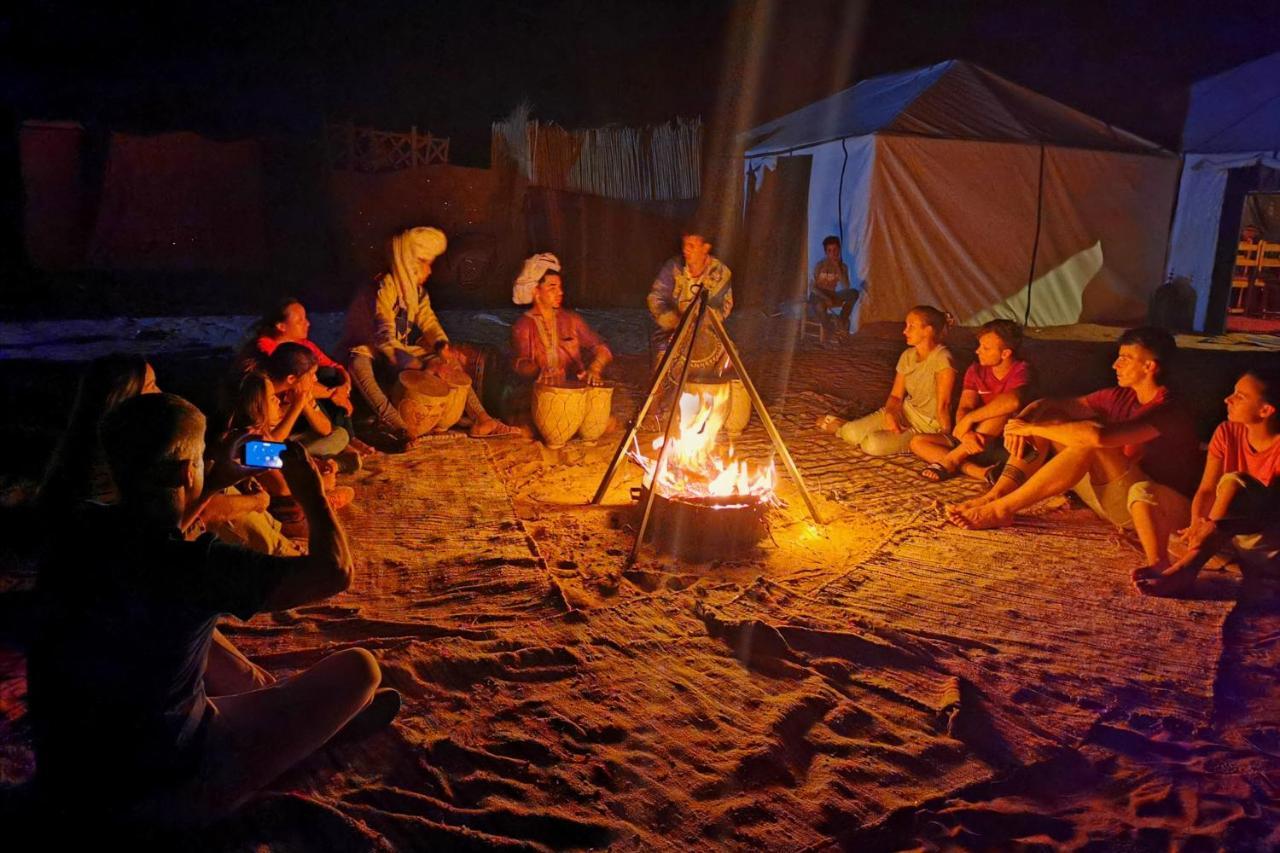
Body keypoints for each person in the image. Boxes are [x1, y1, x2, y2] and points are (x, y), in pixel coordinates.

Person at [29, 393, 399, 826]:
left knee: (186, 624)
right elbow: (333, 573)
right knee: (361, 670)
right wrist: (311, 491)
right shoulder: (200, 567)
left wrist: (219, 477)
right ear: (188, 470)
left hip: (72, 770)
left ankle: (277, 704)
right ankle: (304, 738)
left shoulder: (81, 526)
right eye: (204, 458)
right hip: (158, 786)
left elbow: (156, 538)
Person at [946, 327, 1200, 574]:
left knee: (1084, 441)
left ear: (1150, 366)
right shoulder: (1120, 396)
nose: (1115, 365)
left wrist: (1033, 428)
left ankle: (1002, 510)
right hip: (1114, 498)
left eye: (1124, 359)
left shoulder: (1168, 409)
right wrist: (1022, 422)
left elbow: (1099, 437)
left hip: (1151, 507)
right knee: (1051, 420)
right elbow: (1050, 404)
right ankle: (995, 496)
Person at [341, 226, 518, 445]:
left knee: (446, 362)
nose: (429, 270)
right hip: (370, 350)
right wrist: (420, 366)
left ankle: (482, 419)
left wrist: (441, 345)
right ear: (410, 263)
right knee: (359, 364)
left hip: (396, 349)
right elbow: (383, 338)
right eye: (425, 263)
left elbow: (428, 320)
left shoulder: (416, 292)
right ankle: (399, 426)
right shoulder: (383, 288)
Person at [1135, 368, 1280, 596]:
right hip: (1222, 538)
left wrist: (1215, 528)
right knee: (1143, 491)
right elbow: (1207, 489)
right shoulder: (1227, 431)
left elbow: (1270, 516)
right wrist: (1196, 525)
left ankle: (1187, 568)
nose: (1227, 399)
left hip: (1264, 541)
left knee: (1234, 481)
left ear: (1265, 410)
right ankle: (1161, 563)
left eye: (1240, 396)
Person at [817, 306, 957, 455]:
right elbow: (896, 396)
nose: (905, 331)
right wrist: (891, 414)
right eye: (906, 326)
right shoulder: (907, 356)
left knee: (872, 444)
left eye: (911, 327)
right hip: (906, 411)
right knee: (851, 433)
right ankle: (845, 427)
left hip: (927, 425)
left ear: (927, 330)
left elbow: (944, 404)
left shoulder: (942, 359)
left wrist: (945, 436)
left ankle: (853, 428)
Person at [910, 319, 1032, 483]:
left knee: (1001, 413)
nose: (977, 351)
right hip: (976, 440)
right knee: (917, 442)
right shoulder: (976, 370)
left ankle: (951, 460)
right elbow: (965, 406)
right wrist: (966, 433)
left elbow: (1013, 402)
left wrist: (970, 419)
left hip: (1007, 442)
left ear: (1005, 354)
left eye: (986, 348)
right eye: (979, 345)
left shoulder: (1022, 370)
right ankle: (982, 472)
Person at [37, 354, 160, 512]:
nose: (159, 392)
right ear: (124, 395)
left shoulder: (78, 448)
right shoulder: (108, 467)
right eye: (151, 385)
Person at [510, 253, 612, 387]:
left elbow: (603, 350)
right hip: (538, 393)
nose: (560, 292)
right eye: (553, 288)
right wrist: (539, 371)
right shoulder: (523, 325)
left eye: (560, 287)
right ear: (536, 291)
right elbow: (520, 364)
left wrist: (595, 369)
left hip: (575, 390)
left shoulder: (572, 320)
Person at [647, 226, 733, 375]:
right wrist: (674, 321)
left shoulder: (720, 272)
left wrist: (701, 324)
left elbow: (724, 305)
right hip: (673, 329)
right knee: (663, 361)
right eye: (684, 245)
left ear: (705, 248)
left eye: (691, 246)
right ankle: (663, 393)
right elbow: (656, 297)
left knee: (729, 356)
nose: (685, 250)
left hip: (706, 331)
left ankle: (712, 392)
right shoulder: (673, 268)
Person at [261, 341, 355, 464]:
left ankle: (303, 461)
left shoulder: (299, 388)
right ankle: (305, 463)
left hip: (283, 443)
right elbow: (270, 442)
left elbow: (326, 429)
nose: (315, 379)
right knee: (266, 456)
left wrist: (304, 403)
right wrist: (297, 405)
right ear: (291, 378)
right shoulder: (263, 392)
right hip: (254, 451)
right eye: (311, 375)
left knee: (340, 435)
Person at [810, 235, 859, 337]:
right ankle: (830, 330)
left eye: (835, 250)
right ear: (826, 252)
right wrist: (825, 297)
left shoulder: (843, 267)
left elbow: (846, 287)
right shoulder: (820, 266)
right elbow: (812, 287)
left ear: (839, 250)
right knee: (820, 306)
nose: (833, 253)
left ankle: (842, 319)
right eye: (829, 251)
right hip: (818, 294)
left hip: (832, 294)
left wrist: (837, 267)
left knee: (853, 293)